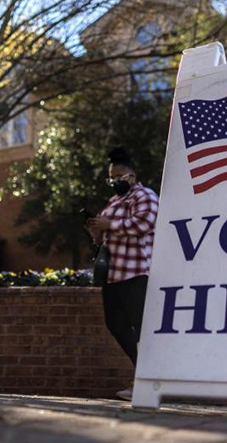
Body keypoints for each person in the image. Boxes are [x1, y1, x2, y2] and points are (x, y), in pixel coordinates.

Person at [85, 147, 159, 401]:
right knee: (115, 324)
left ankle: (146, 381)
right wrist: (96, 231)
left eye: (120, 175)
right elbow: (106, 236)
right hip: (113, 273)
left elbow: (145, 224)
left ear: (132, 174)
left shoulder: (144, 195)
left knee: (141, 328)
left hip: (137, 272)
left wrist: (110, 225)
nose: (116, 180)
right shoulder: (113, 202)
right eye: (111, 177)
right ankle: (146, 374)